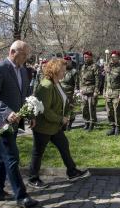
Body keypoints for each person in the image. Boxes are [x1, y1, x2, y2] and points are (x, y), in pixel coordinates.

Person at [0, 40, 38, 208]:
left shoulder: (22, 71)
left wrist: (29, 115)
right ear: (13, 52)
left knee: (3, 157)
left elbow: (24, 95)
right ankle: (21, 196)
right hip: (0, 122)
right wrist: (7, 113)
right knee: (11, 157)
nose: (26, 58)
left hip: (15, 122)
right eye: (23, 55)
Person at [29, 58, 89, 189]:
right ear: (55, 70)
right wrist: (61, 119)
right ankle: (33, 178)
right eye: (62, 70)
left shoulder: (56, 83)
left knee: (64, 145)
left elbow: (62, 100)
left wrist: (68, 109)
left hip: (54, 127)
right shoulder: (46, 85)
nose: (65, 72)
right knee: (38, 152)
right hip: (44, 126)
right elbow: (45, 110)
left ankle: (72, 171)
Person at [104, 50, 120, 136]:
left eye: (115, 57)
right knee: (109, 111)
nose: (113, 58)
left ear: (118, 58)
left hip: (117, 93)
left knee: (117, 111)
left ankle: (118, 127)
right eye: (112, 57)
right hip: (108, 93)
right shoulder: (108, 67)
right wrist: (104, 91)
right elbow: (106, 81)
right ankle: (112, 127)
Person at [79, 51, 100, 131]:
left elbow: (98, 80)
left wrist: (96, 91)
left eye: (87, 57)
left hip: (91, 90)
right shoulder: (83, 67)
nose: (85, 58)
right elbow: (80, 79)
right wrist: (80, 89)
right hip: (84, 90)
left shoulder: (95, 66)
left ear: (91, 57)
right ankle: (86, 122)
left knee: (91, 108)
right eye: (84, 57)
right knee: (84, 108)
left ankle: (92, 123)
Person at [60, 56, 79, 131]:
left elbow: (76, 84)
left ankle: (70, 123)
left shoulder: (74, 72)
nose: (66, 63)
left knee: (70, 110)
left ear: (70, 62)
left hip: (70, 94)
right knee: (62, 110)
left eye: (68, 62)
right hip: (61, 94)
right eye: (65, 62)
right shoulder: (61, 70)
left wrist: (75, 94)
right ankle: (63, 124)